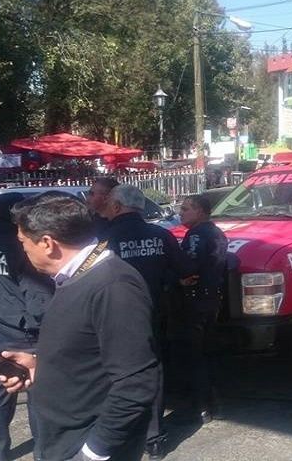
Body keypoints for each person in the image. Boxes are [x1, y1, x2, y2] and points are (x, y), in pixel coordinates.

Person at [0, 193, 160, 460]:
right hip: (63, 437)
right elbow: (88, 350)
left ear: (48, 243)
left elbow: (136, 382)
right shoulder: (76, 277)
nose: (23, 251)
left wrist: (94, 451)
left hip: (84, 444)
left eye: (23, 242)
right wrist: (41, 366)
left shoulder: (113, 287)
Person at [0, 193, 54, 461]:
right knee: (38, 397)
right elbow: (38, 297)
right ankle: (44, 454)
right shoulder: (21, 245)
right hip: (26, 335)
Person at [104, 184, 189, 460]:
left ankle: (119, 432)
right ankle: (153, 437)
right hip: (154, 313)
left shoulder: (104, 238)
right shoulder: (161, 235)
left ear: (117, 206)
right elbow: (184, 270)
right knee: (152, 370)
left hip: (113, 316)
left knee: (114, 374)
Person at [177, 194, 229, 424]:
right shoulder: (217, 232)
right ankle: (215, 402)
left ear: (199, 211)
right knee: (209, 352)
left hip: (196, 300)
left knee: (195, 354)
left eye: (185, 209)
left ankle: (201, 406)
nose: (180, 213)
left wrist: (177, 278)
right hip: (212, 300)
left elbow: (190, 266)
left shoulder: (197, 235)